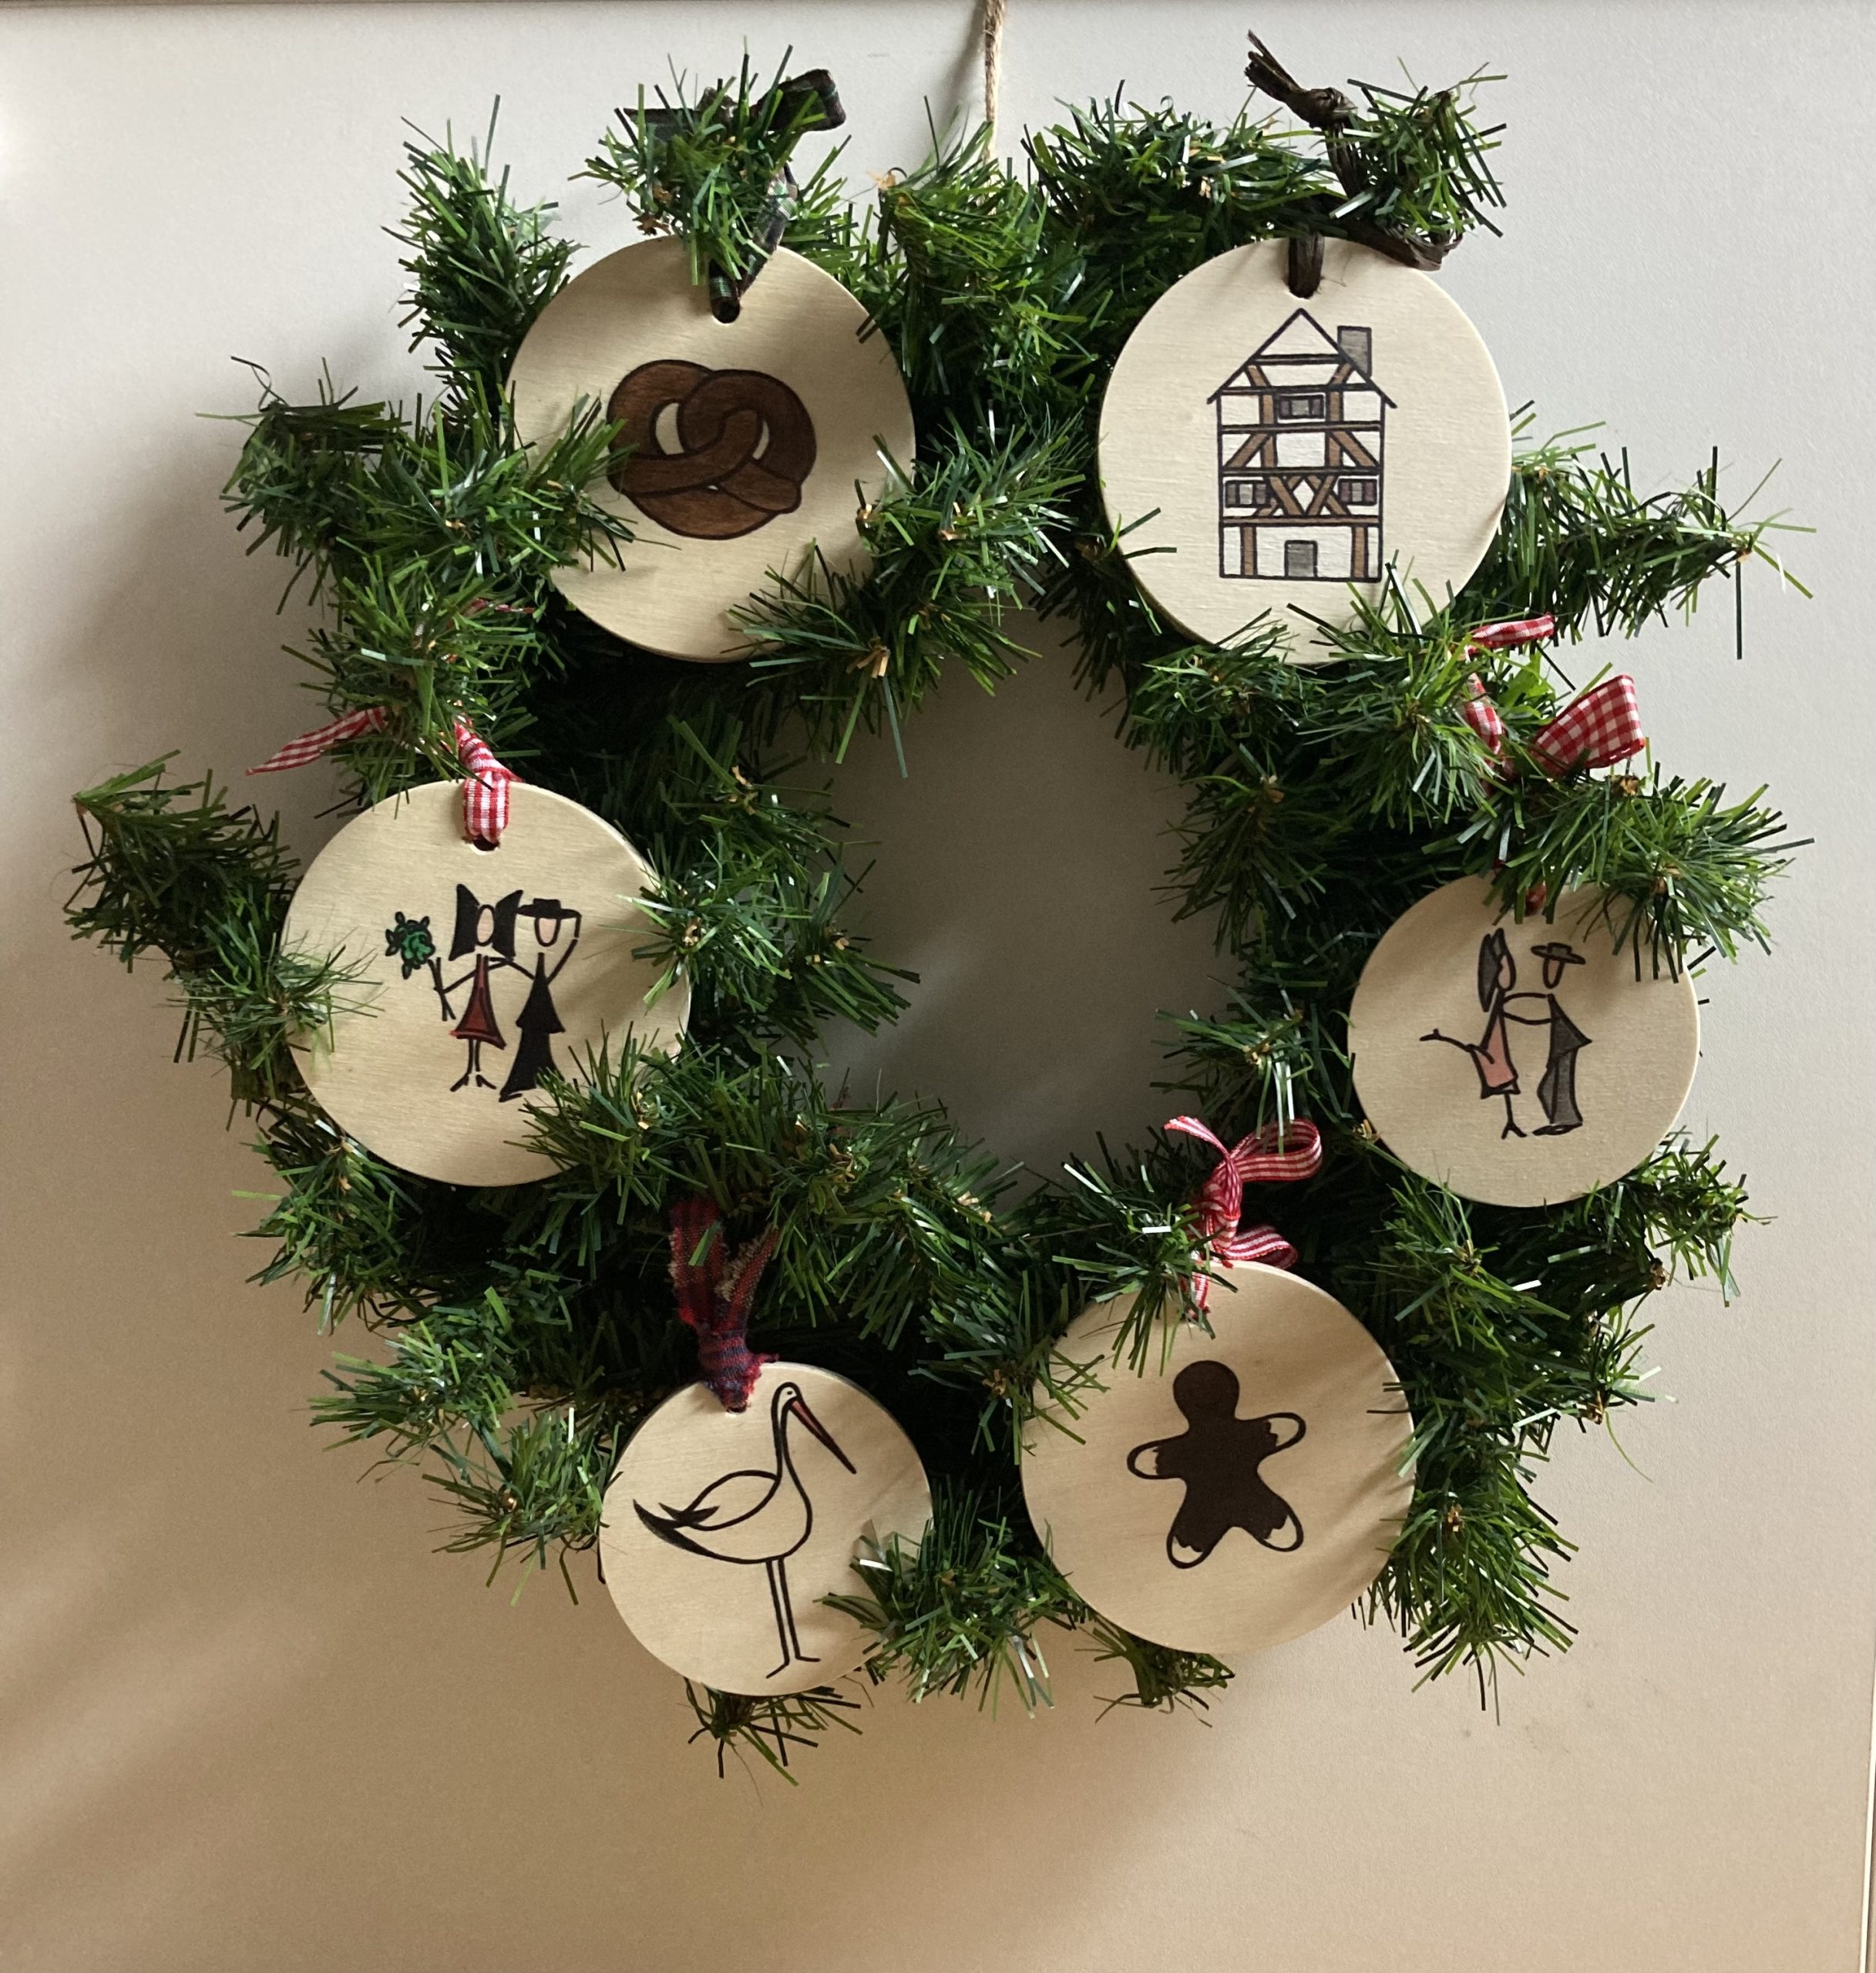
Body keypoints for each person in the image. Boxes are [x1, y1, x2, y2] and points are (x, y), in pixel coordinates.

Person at [1422, 929, 1527, 1138]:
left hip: (1497, 1047)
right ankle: (1506, 1122)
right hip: (1493, 1046)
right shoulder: (1488, 1004)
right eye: (1504, 966)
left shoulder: (1499, 1001)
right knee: (1497, 1076)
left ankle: (1509, 1122)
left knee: (1500, 1078)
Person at [435, 885, 522, 1092]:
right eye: (481, 925)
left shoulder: (492, 958)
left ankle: (476, 1071)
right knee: (473, 1033)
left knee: (479, 1033)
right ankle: (471, 1070)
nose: (484, 931)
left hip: (483, 1000)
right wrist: (447, 989)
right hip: (477, 999)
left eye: (489, 926)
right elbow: (470, 976)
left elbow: (484, 972)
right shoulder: (479, 958)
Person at [499, 897, 583, 1102]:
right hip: (536, 1003)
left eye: (551, 924)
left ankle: (541, 1081)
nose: (547, 929)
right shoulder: (531, 952)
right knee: (530, 1042)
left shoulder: (558, 953)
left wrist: (575, 934)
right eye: (543, 924)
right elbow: (534, 975)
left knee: (537, 1042)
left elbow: (551, 972)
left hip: (541, 1004)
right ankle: (522, 1081)